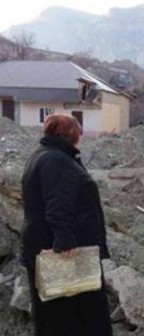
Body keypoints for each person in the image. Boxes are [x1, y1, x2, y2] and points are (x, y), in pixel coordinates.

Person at [20, 113, 112, 336]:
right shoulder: (57, 161)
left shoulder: (44, 155)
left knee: (55, 315)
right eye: (78, 132)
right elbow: (57, 204)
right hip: (65, 254)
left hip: (47, 247)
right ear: (71, 134)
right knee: (72, 317)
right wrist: (64, 241)